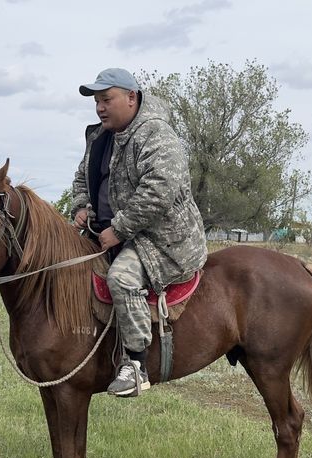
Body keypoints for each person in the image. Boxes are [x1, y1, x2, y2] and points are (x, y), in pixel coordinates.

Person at [69, 67, 207, 397]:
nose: (100, 108)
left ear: (131, 98)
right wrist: (81, 206)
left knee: (121, 278)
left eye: (106, 99)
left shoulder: (156, 134)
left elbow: (159, 190)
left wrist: (119, 229)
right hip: (108, 232)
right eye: (97, 102)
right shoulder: (100, 137)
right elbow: (81, 178)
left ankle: (135, 364)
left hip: (162, 239)